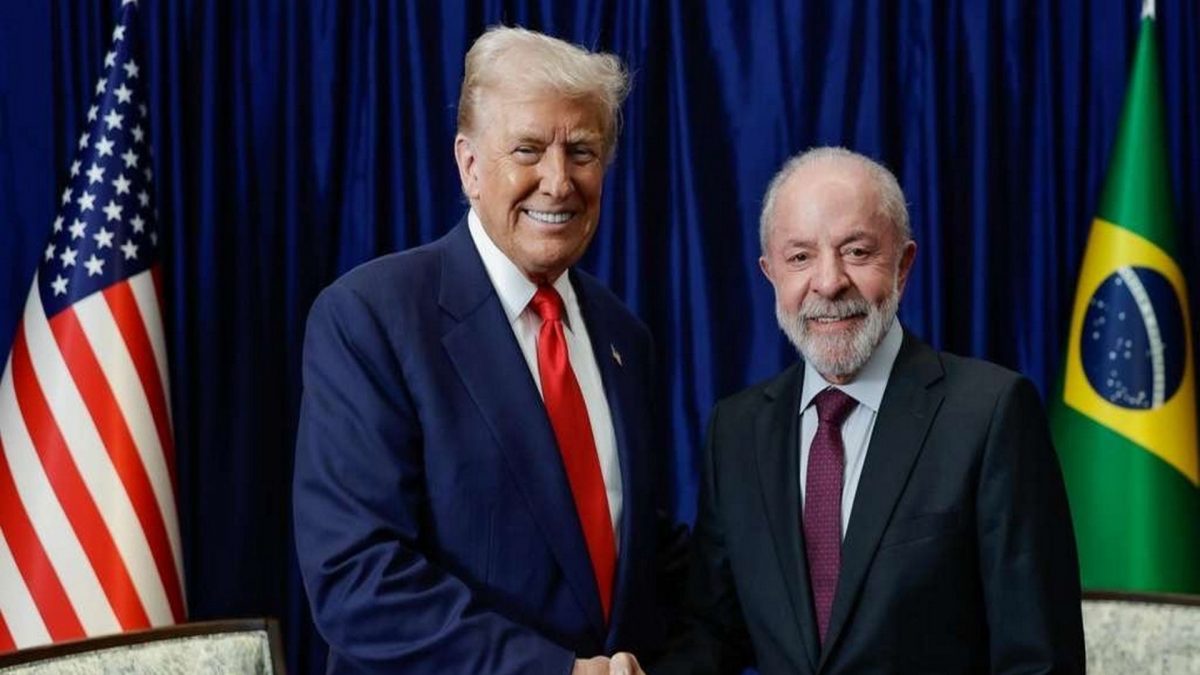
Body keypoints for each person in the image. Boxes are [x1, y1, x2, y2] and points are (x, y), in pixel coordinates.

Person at [294, 26, 676, 675]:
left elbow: (640, 560)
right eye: (528, 150)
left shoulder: (622, 336)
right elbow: (358, 577)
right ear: (469, 164)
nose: (558, 182)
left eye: (582, 152)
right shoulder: (371, 317)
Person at [652, 147, 1085, 674]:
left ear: (903, 265)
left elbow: (1039, 660)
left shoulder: (991, 413)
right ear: (770, 273)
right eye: (800, 257)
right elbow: (713, 632)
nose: (829, 282)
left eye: (856, 252)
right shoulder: (737, 430)